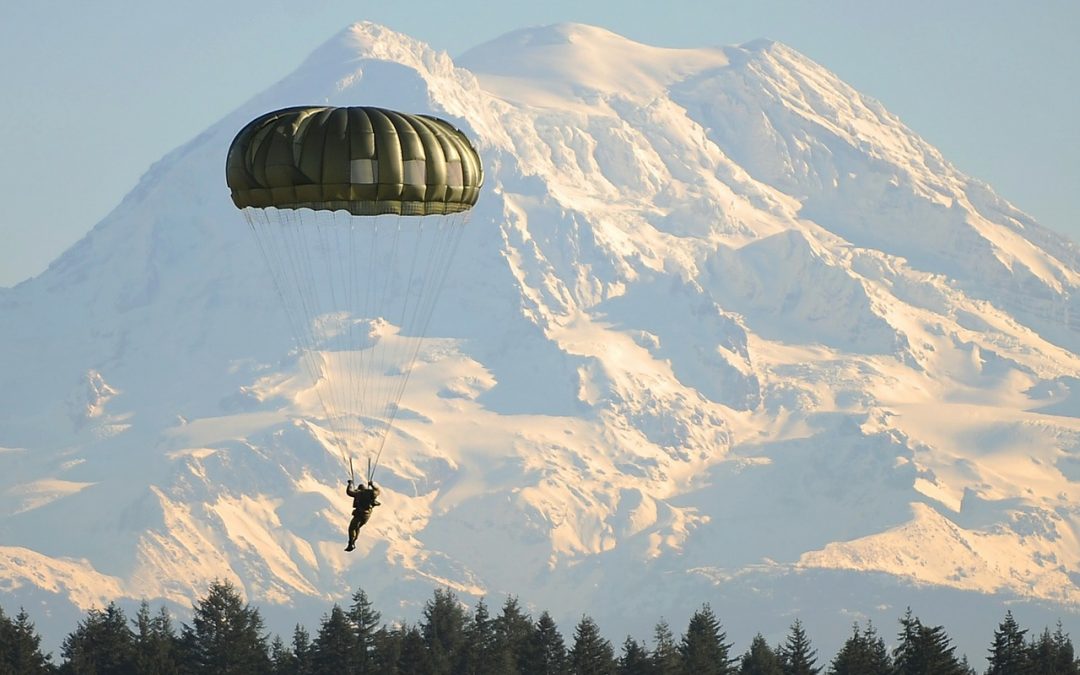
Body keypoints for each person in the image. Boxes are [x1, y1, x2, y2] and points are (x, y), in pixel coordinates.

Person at [345, 479, 380, 552]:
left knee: (352, 528)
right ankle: (353, 542)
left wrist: (350, 483)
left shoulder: (358, 493)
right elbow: (378, 490)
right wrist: (372, 484)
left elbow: (349, 492)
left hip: (359, 514)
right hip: (367, 515)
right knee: (357, 527)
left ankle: (351, 543)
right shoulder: (372, 493)